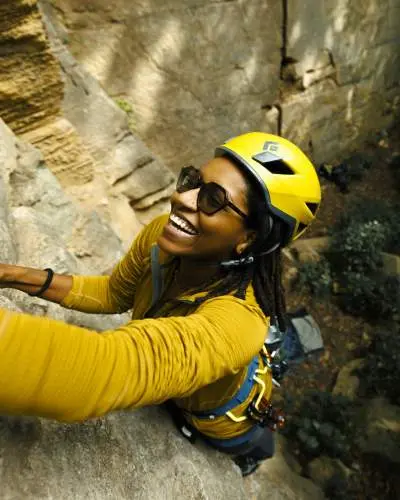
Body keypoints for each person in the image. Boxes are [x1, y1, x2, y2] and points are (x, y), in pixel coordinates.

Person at [0, 132, 321, 476]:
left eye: (212, 199)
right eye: (192, 181)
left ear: (248, 239)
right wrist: (13, 275)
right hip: (195, 378)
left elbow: (102, 370)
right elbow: (113, 293)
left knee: (252, 447)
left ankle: (252, 454)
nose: (180, 197)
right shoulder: (162, 237)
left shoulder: (238, 322)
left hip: (227, 422)